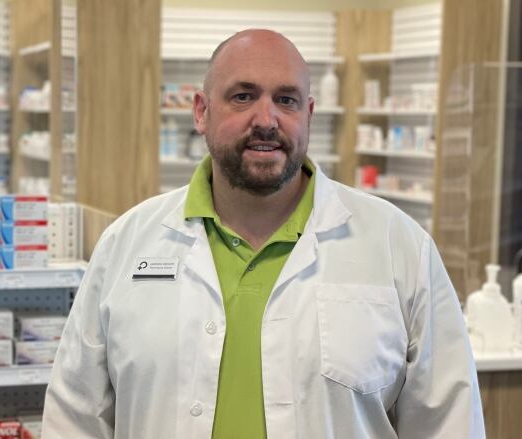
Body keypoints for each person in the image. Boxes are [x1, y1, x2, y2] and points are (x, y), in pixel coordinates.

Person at [41, 29, 485, 438]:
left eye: (287, 100)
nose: (267, 119)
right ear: (201, 111)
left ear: (308, 115)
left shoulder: (398, 245)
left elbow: (449, 421)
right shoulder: (127, 243)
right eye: (243, 96)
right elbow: (75, 415)